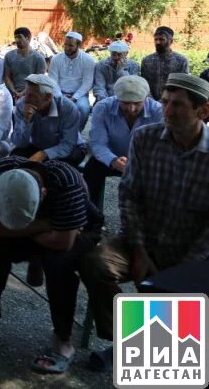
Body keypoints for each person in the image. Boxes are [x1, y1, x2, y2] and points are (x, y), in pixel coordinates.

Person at [80, 73, 209, 373]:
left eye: (178, 105)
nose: (168, 111)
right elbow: (129, 196)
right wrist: (138, 249)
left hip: (193, 252)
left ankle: (144, 350)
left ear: (204, 111)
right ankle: (130, 342)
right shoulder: (146, 138)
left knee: (172, 289)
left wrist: (182, 271)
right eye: (165, 102)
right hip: (143, 240)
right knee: (95, 263)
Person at [0, 157, 102, 374]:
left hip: (75, 228)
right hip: (42, 225)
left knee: (59, 264)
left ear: (44, 194)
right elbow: (0, 227)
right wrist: (42, 226)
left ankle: (63, 340)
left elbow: (63, 241)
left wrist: (22, 229)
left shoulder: (66, 181)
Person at [84, 75, 163, 209]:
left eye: (137, 103)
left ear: (146, 98)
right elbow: (98, 143)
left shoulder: (158, 111)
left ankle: (148, 218)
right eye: (125, 103)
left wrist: (138, 163)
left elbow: (160, 148)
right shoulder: (103, 107)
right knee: (91, 169)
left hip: (144, 162)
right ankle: (91, 214)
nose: (131, 109)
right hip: (113, 158)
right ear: (117, 98)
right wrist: (113, 160)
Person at [10, 74, 84, 164]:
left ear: (48, 97)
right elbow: (19, 143)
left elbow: (68, 145)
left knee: (58, 167)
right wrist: (26, 121)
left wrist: (44, 154)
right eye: (26, 94)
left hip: (67, 148)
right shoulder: (22, 105)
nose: (26, 100)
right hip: (38, 146)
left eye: (32, 96)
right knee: (14, 158)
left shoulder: (67, 108)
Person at [48, 31, 96, 124]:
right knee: (50, 109)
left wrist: (74, 98)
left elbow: (87, 83)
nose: (67, 48)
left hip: (79, 95)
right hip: (59, 92)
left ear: (78, 45)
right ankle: (55, 134)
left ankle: (76, 134)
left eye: (71, 45)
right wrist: (60, 96)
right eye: (65, 44)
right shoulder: (56, 58)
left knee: (83, 108)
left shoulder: (88, 60)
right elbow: (52, 80)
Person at [140, 26, 189, 100]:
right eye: (156, 39)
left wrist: (166, 101)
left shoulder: (181, 61)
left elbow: (182, 85)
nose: (158, 42)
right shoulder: (147, 60)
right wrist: (152, 102)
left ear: (171, 41)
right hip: (150, 103)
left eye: (161, 39)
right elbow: (143, 83)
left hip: (172, 103)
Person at [4, 27, 47, 100]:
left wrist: (22, 93)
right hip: (12, 93)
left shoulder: (39, 58)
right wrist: (14, 92)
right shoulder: (9, 56)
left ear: (28, 38)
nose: (17, 40)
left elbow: (38, 81)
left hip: (32, 94)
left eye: (20, 37)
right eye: (16, 38)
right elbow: (7, 77)